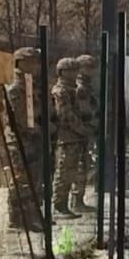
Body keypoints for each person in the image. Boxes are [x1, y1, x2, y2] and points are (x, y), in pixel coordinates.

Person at [3, 47, 45, 232]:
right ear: (21, 62)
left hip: (32, 137)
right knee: (20, 178)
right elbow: (18, 116)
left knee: (32, 178)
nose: (36, 65)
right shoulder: (15, 86)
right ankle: (16, 218)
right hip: (19, 138)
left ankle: (30, 216)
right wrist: (33, 129)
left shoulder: (30, 84)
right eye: (32, 61)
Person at [50, 57, 86, 218]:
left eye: (75, 70)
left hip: (75, 136)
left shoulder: (75, 90)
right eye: (70, 70)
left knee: (72, 171)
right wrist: (83, 129)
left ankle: (65, 205)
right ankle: (59, 206)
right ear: (62, 72)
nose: (74, 73)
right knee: (64, 172)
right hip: (66, 137)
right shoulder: (61, 91)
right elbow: (66, 115)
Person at [73, 54, 99, 207]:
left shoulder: (90, 87)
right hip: (80, 132)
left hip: (87, 131)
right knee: (78, 168)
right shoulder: (80, 88)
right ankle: (76, 200)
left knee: (85, 165)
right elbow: (84, 112)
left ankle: (79, 199)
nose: (91, 71)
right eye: (87, 67)